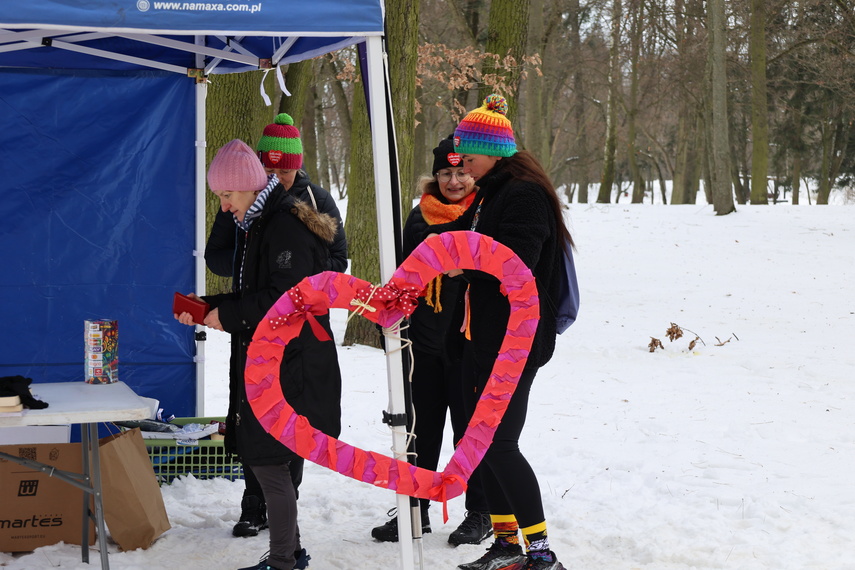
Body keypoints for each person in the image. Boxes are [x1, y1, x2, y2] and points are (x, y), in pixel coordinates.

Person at [175, 138, 342, 570]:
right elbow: (253, 292)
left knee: (271, 465)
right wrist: (210, 305)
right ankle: (290, 553)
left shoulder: (283, 225)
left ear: (248, 187)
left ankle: (286, 560)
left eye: (227, 196)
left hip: (293, 367)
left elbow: (283, 299)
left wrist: (223, 314)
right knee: (272, 464)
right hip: (275, 362)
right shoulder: (258, 223)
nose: (225, 206)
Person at [425, 95, 573, 570]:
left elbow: (514, 263)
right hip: (481, 338)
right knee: (478, 439)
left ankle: (541, 553)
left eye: (468, 153)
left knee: (498, 442)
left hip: (513, 341)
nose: (461, 160)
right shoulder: (491, 191)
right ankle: (508, 544)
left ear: (494, 152)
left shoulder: (523, 194)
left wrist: (460, 264)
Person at [369, 136, 492, 546]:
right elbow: (403, 272)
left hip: (468, 342)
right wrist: (389, 311)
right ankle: (415, 510)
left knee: (468, 429)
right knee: (419, 429)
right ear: (434, 175)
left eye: (461, 172)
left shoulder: (483, 211)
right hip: (422, 341)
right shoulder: (418, 216)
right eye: (446, 173)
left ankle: (480, 512)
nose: (454, 180)